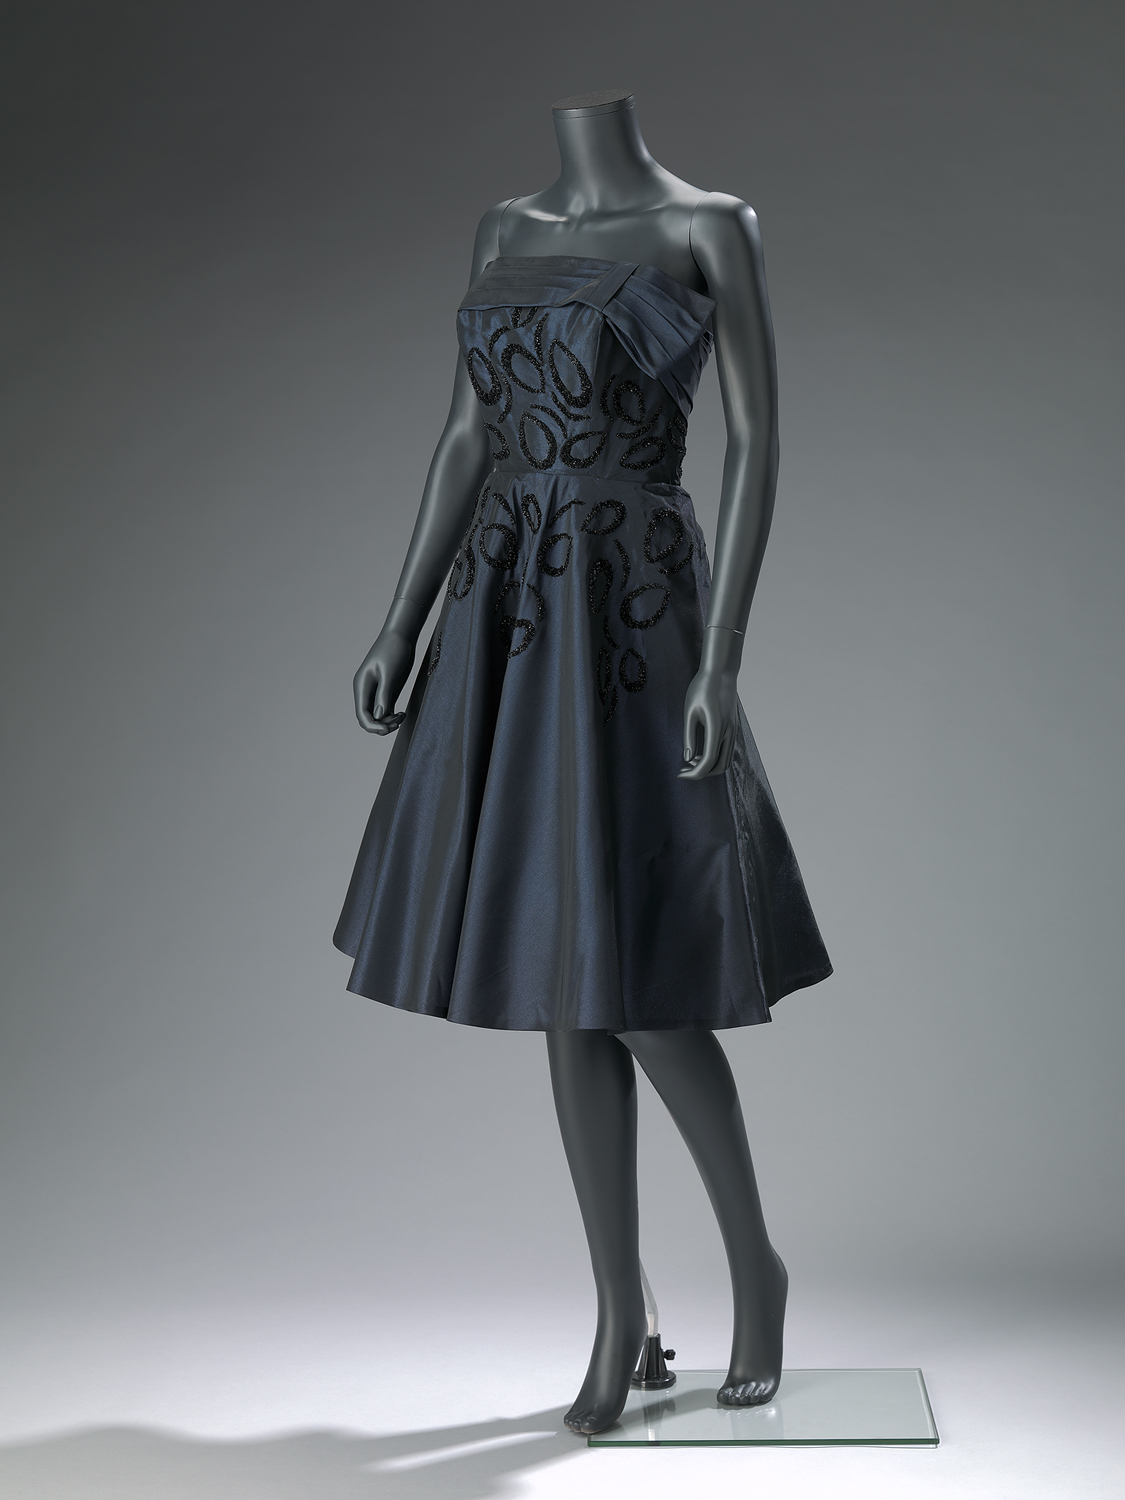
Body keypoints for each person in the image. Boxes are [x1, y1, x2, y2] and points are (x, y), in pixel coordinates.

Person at [335, 90, 832, 1435]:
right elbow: (466, 435)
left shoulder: (709, 225)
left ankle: (755, 1268)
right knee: (564, 964)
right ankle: (621, 1309)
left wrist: (722, 658)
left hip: (633, 604)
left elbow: (755, 438)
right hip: (508, 603)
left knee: (646, 981)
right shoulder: (503, 227)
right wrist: (402, 619)